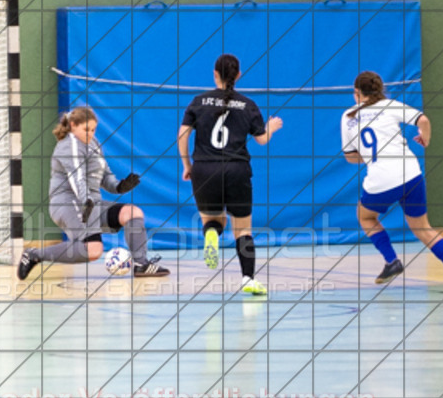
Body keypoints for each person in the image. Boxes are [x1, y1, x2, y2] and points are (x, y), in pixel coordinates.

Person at [341, 70, 443, 289]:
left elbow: (350, 157)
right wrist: (425, 138)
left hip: (381, 179)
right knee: (422, 228)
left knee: (365, 217)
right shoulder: (390, 105)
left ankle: (392, 261)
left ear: (356, 92)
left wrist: (372, 155)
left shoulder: (348, 117)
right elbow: (424, 120)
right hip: (410, 173)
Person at [17, 106, 170, 280]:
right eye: (86, 129)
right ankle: (34, 254)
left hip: (91, 204)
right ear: (73, 125)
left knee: (132, 213)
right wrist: (86, 201)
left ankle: (141, 264)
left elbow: (105, 175)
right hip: (69, 203)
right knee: (93, 250)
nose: (90, 134)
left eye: (93, 129)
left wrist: (119, 186)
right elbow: (77, 178)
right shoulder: (69, 145)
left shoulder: (93, 143)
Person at [177, 54, 283, 296]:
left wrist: (187, 165)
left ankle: (211, 234)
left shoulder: (198, 101)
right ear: (238, 75)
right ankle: (248, 278)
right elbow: (262, 140)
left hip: (204, 168)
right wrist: (271, 128)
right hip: (236, 170)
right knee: (243, 230)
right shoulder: (248, 105)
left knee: (213, 220)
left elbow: (182, 136)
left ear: (215, 74)